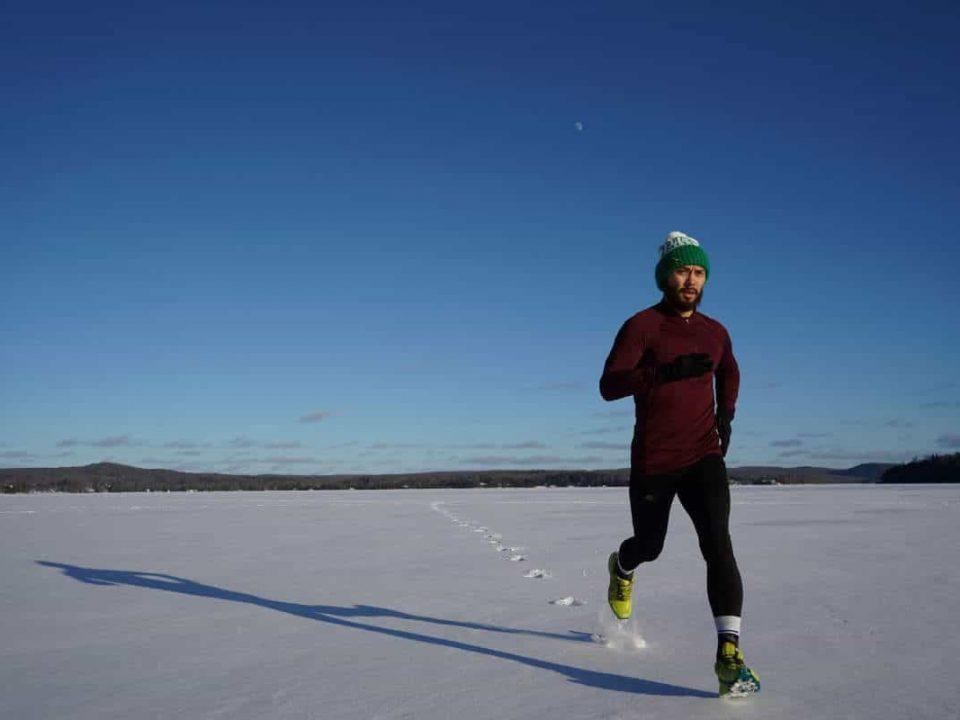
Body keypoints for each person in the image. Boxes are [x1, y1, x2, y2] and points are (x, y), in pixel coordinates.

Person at [598, 230, 760, 697]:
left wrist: (726, 414)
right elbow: (608, 385)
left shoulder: (715, 332)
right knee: (650, 545)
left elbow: (729, 367)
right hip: (654, 458)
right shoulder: (642, 326)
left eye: (699, 271)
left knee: (718, 545)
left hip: (703, 454)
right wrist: (659, 373)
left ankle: (728, 653)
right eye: (683, 270)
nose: (692, 280)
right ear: (665, 276)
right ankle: (623, 566)